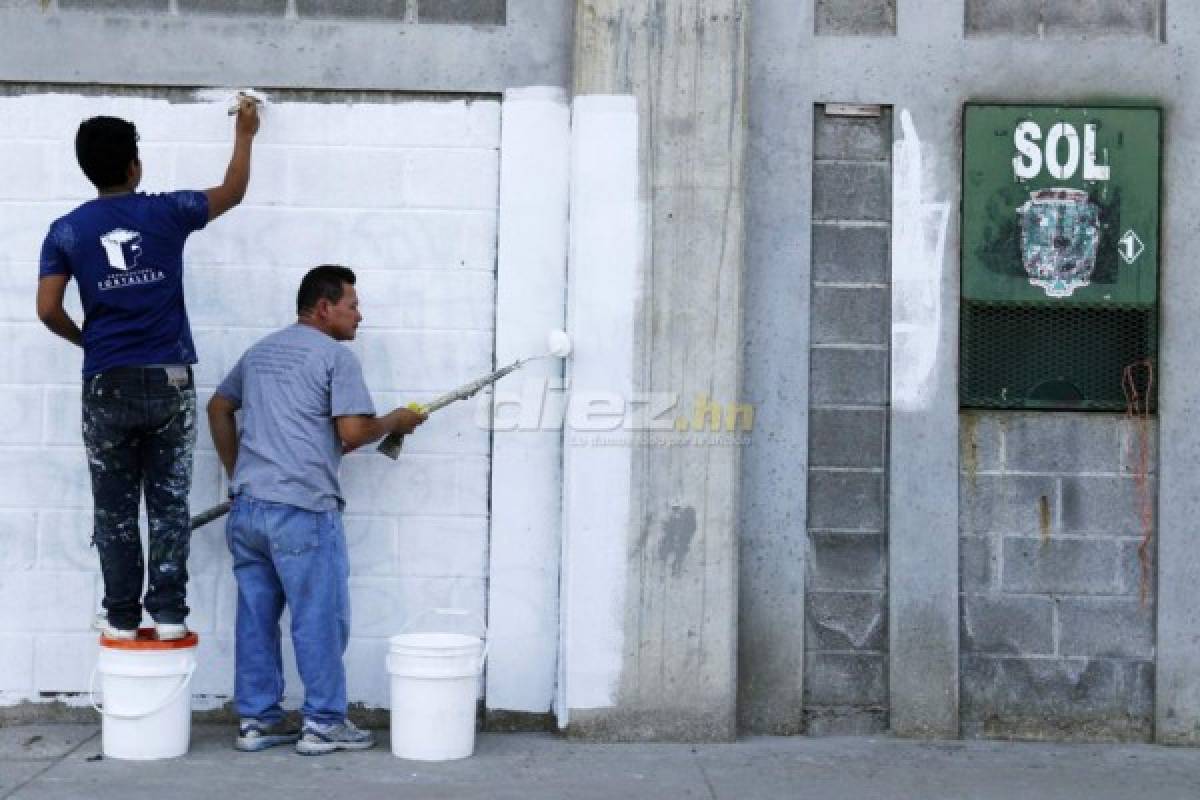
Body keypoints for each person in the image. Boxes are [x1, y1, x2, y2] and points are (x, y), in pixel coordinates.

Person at [36, 97, 261, 641]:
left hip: (106, 380)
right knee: (167, 502)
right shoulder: (166, 212)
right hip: (169, 378)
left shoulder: (65, 231)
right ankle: (168, 612)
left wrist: (87, 338)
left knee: (114, 508)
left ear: (87, 169)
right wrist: (247, 132)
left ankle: (121, 615)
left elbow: (47, 309)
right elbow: (231, 191)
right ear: (135, 166)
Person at [207, 265, 425, 755]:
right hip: (302, 511)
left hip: (249, 510)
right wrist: (396, 420)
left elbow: (218, 407)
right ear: (325, 308)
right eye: (352, 305)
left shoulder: (261, 352)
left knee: (256, 617)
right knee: (319, 618)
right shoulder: (334, 358)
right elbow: (352, 433)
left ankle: (258, 721)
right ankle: (324, 722)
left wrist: (237, 471)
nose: (359, 315)